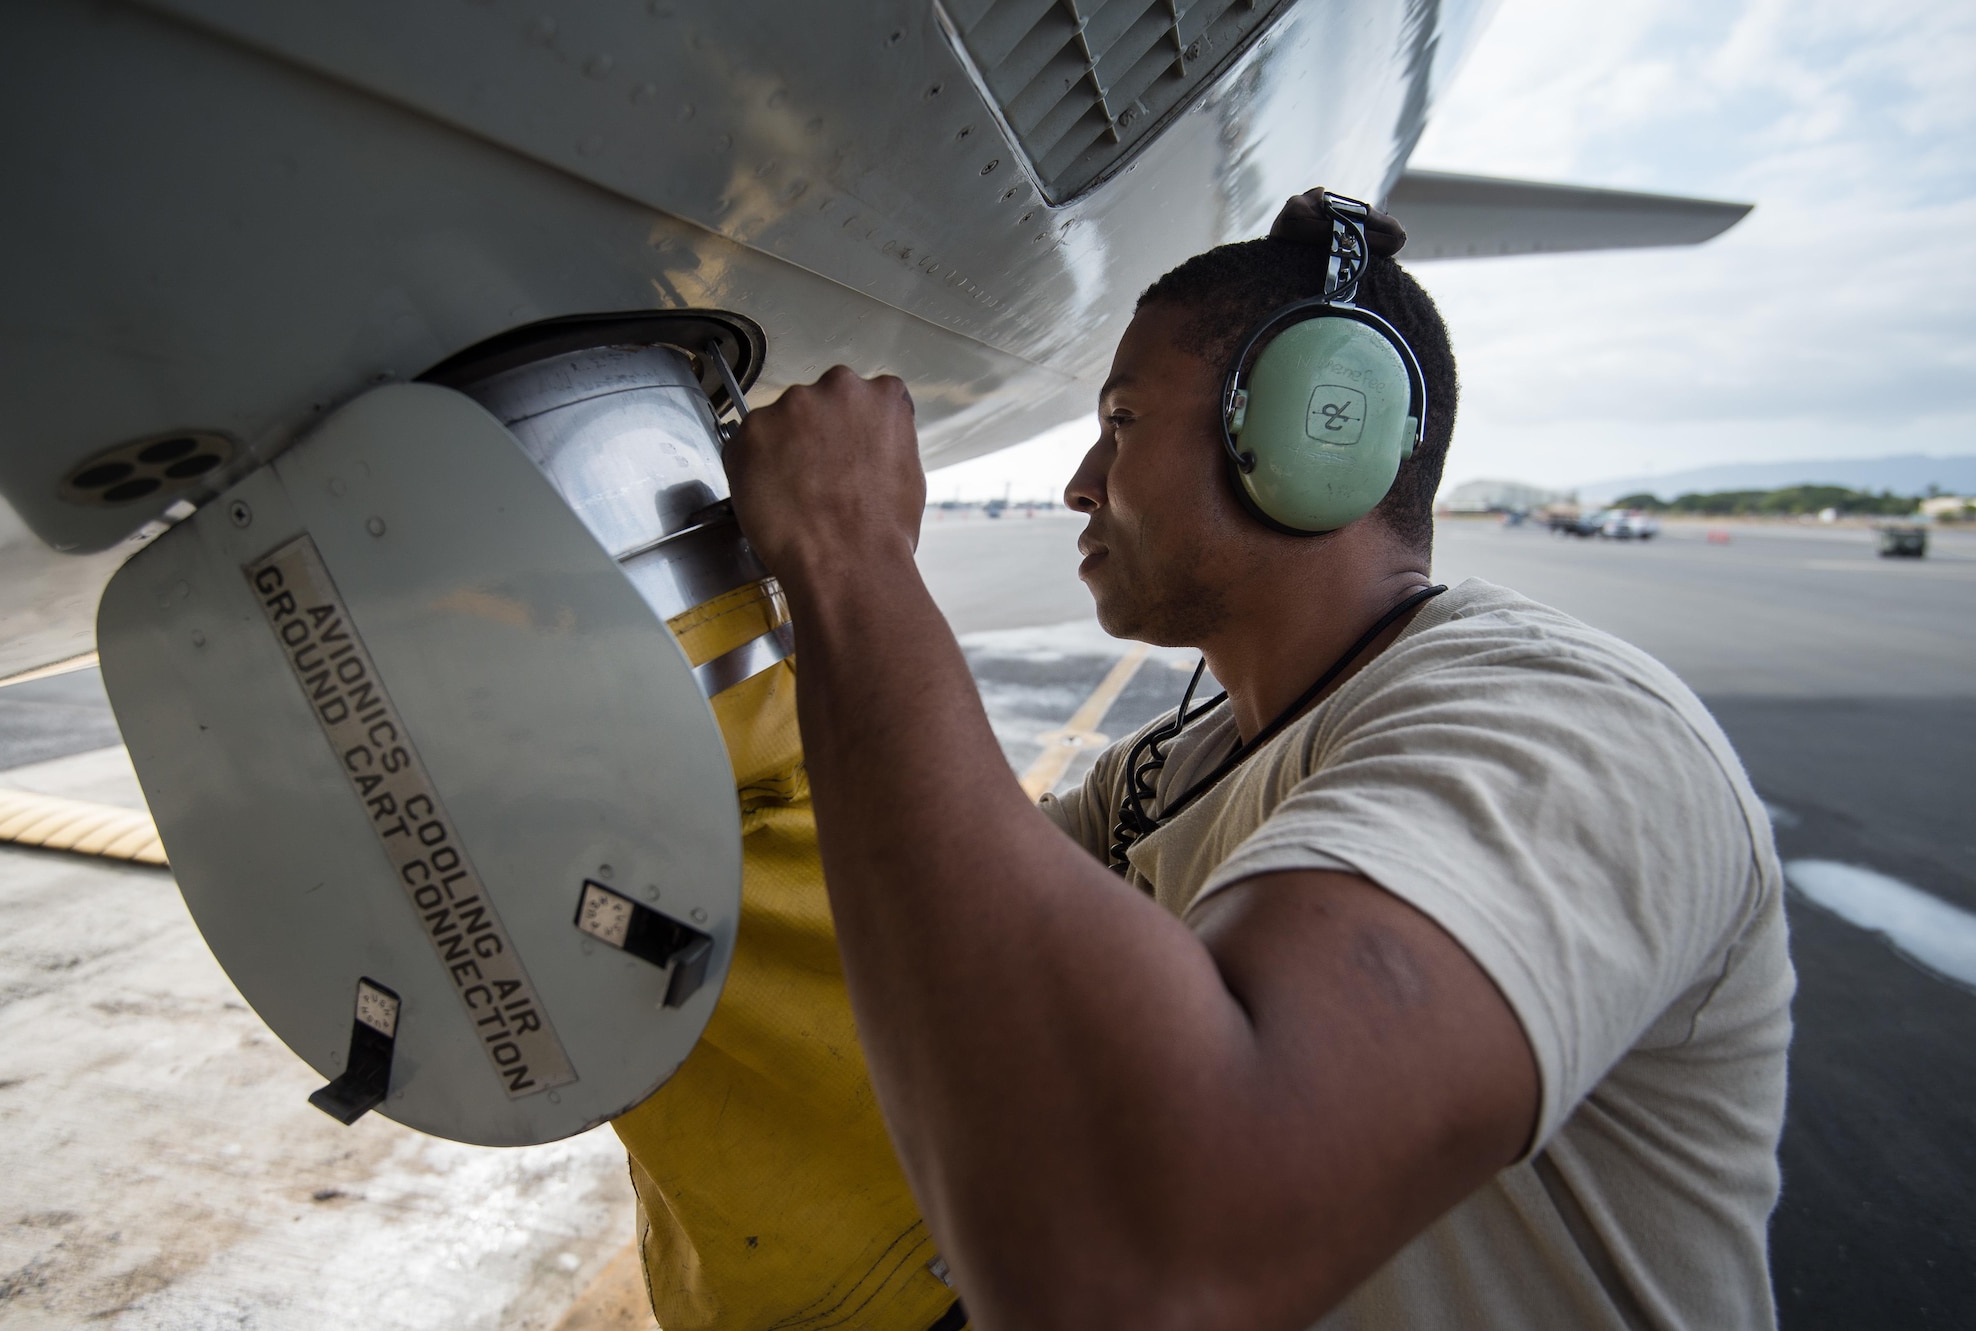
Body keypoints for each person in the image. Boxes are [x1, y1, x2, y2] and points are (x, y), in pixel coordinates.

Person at [720, 189, 1794, 1330]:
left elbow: (1146, 1261)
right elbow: (933, 927)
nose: (1079, 481)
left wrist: (852, 559)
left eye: (1121, 421)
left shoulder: (1563, 726)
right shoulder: (1173, 770)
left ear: (1315, 426)